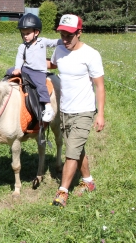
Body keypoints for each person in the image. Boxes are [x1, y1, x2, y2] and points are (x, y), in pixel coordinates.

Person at [48, 14, 106, 208]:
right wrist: (29, 63)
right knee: (77, 148)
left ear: (79, 33)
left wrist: (100, 114)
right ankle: (88, 182)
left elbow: (99, 86)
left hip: (84, 111)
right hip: (65, 110)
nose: (65, 39)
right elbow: (53, 64)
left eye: (69, 35)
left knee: (71, 152)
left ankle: (62, 193)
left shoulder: (91, 54)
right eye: (62, 34)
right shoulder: (60, 50)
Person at [9, 13, 61, 122]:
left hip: (39, 72)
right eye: (23, 34)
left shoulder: (43, 42)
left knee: (41, 86)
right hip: (26, 69)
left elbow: (53, 43)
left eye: (27, 33)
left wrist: (64, 41)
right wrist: (18, 68)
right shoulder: (22, 46)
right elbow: (19, 58)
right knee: (9, 71)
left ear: (36, 32)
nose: (25, 36)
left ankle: (48, 107)